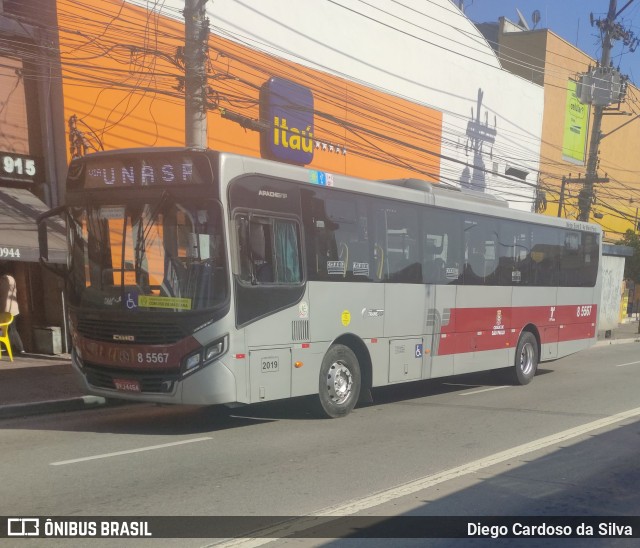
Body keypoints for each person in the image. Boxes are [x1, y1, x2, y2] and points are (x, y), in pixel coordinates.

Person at [0, 270, 25, 354]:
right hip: (13, 308)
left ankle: (18, 347)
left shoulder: (4, 280)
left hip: (7, 309)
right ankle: (16, 347)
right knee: (12, 329)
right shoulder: (12, 279)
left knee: (10, 329)